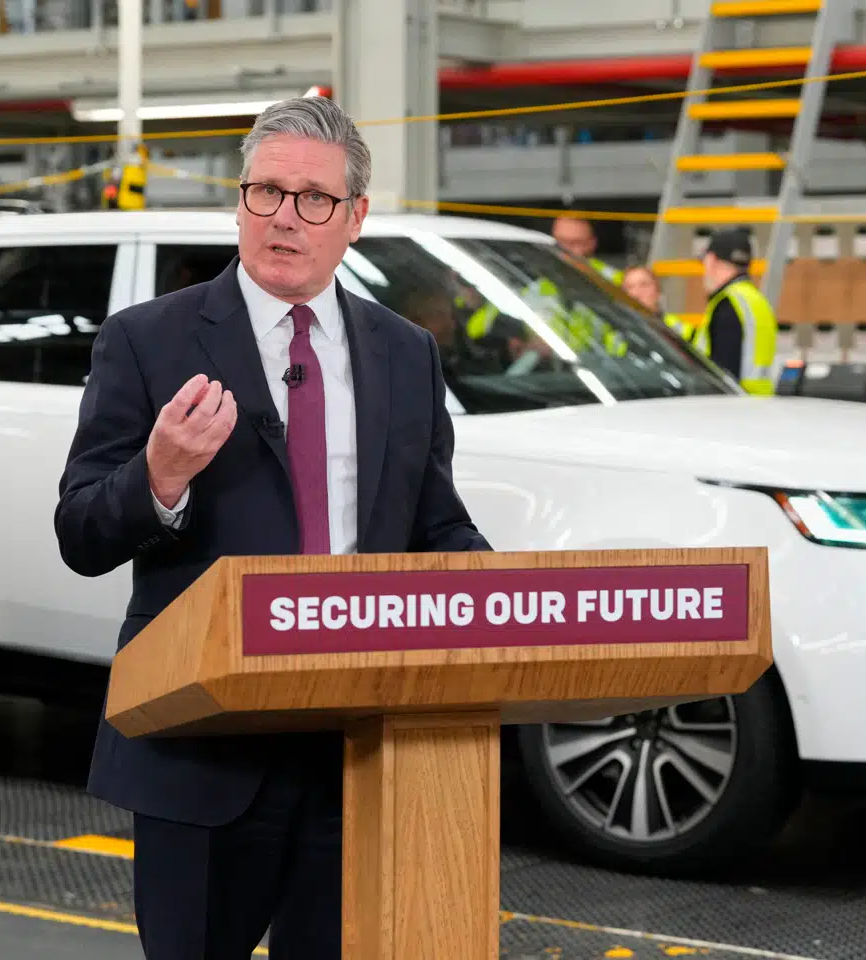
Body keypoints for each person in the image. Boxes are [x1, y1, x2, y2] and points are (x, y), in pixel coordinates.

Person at [53, 95, 491, 960]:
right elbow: (80, 532)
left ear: (355, 217)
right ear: (240, 199)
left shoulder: (405, 353)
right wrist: (160, 476)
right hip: (205, 750)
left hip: (356, 754)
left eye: (313, 200)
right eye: (265, 193)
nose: (285, 218)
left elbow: (436, 522)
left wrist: (511, 600)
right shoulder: (149, 342)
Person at [693, 228, 778, 394]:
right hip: (759, 406)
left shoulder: (727, 304)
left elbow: (724, 375)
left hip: (735, 411)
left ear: (711, 260)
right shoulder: (755, 300)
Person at [621, 263, 694, 343]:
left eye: (644, 285)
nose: (636, 293)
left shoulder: (678, 329)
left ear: (657, 290)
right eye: (629, 287)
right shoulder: (615, 328)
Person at [550, 215, 625, 285]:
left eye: (573, 243)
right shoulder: (545, 276)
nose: (564, 249)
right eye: (560, 241)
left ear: (592, 244)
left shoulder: (615, 280)